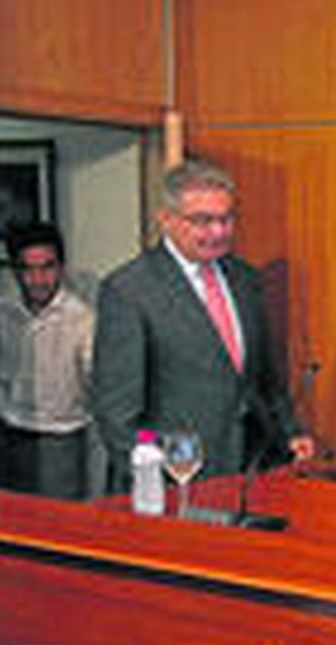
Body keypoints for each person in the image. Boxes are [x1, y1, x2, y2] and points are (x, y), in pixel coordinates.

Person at [92, 159, 314, 490]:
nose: (219, 232)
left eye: (226, 219)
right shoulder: (129, 290)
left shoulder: (245, 279)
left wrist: (290, 432)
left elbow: (265, 377)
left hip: (253, 473)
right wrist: (158, 481)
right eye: (203, 221)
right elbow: (116, 415)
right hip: (176, 482)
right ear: (166, 220)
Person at [0, 222, 95, 499]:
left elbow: (98, 382)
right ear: (16, 271)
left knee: (60, 525)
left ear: (61, 267)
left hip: (59, 441)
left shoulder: (83, 319)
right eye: (28, 269)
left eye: (47, 267)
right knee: (6, 524)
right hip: (6, 435)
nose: (38, 279)